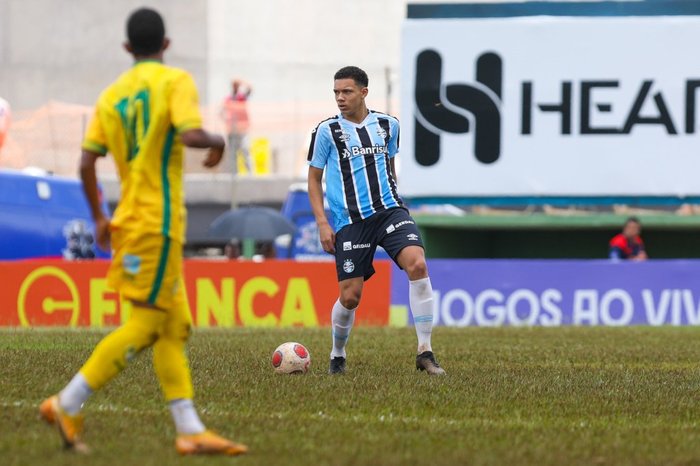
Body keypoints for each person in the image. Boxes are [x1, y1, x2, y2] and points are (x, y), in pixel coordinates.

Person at [39, 8, 247, 456]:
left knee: (176, 325)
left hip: (131, 219)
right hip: (158, 223)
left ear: (127, 48)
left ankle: (189, 429)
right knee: (150, 323)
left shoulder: (111, 94)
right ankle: (67, 401)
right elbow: (191, 135)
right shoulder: (175, 82)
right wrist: (219, 142)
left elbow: (86, 162)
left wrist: (98, 216)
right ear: (167, 45)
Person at [307, 66, 445, 376]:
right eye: (336, 93)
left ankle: (425, 351)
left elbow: (388, 166)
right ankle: (337, 354)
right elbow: (314, 180)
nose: (340, 98)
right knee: (350, 296)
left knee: (418, 265)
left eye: (347, 92)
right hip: (352, 222)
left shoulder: (388, 125)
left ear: (363, 92)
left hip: (390, 211)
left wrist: (395, 199)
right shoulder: (327, 132)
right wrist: (322, 223)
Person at [221, 79, 253, 174]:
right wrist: (226, 120)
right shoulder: (228, 99)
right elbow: (221, 111)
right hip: (232, 130)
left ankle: (249, 173)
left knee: (245, 150)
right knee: (232, 153)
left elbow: (250, 89)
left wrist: (242, 82)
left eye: (236, 85)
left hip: (242, 130)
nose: (235, 87)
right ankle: (234, 174)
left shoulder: (241, 97)